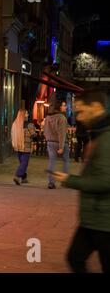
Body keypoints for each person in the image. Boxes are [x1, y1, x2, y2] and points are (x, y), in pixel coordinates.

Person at [52, 90, 110, 273]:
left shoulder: (107, 139)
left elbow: (105, 181)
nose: (79, 117)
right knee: (75, 258)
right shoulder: (100, 133)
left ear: (96, 107)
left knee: (77, 259)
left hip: (104, 219)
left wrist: (71, 180)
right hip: (93, 218)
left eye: (82, 111)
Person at [43, 100, 69, 189]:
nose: (66, 107)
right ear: (59, 107)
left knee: (51, 161)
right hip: (61, 143)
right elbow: (62, 133)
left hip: (50, 142)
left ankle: (51, 182)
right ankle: (64, 181)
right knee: (65, 161)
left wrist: (48, 139)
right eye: (64, 105)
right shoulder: (62, 118)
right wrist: (61, 147)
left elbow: (45, 131)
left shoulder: (48, 117)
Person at [11, 109, 36, 185]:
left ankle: (24, 178)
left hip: (18, 146)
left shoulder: (15, 124)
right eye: (26, 113)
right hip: (26, 147)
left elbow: (12, 134)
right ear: (23, 115)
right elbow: (33, 135)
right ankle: (17, 175)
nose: (28, 115)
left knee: (22, 162)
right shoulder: (29, 125)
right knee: (24, 163)